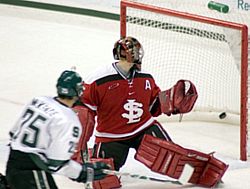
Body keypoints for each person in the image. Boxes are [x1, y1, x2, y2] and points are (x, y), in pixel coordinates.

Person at [74, 37, 228, 189]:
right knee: (103, 181)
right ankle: (90, 154)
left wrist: (171, 102)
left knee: (173, 160)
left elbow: (154, 106)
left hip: (144, 128)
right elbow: (84, 112)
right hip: (111, 136)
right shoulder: (98, 79)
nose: (137, 55)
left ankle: (206, 172)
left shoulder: (145, 77)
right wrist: (79, 146)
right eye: (133, 52)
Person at [4, 70, 110, 189]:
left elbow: (14, 133)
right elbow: (57, 163)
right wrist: (83, 172)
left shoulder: (38, 100)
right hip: (33, 172)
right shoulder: (69, 120)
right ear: (78, 91)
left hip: (12, 163)